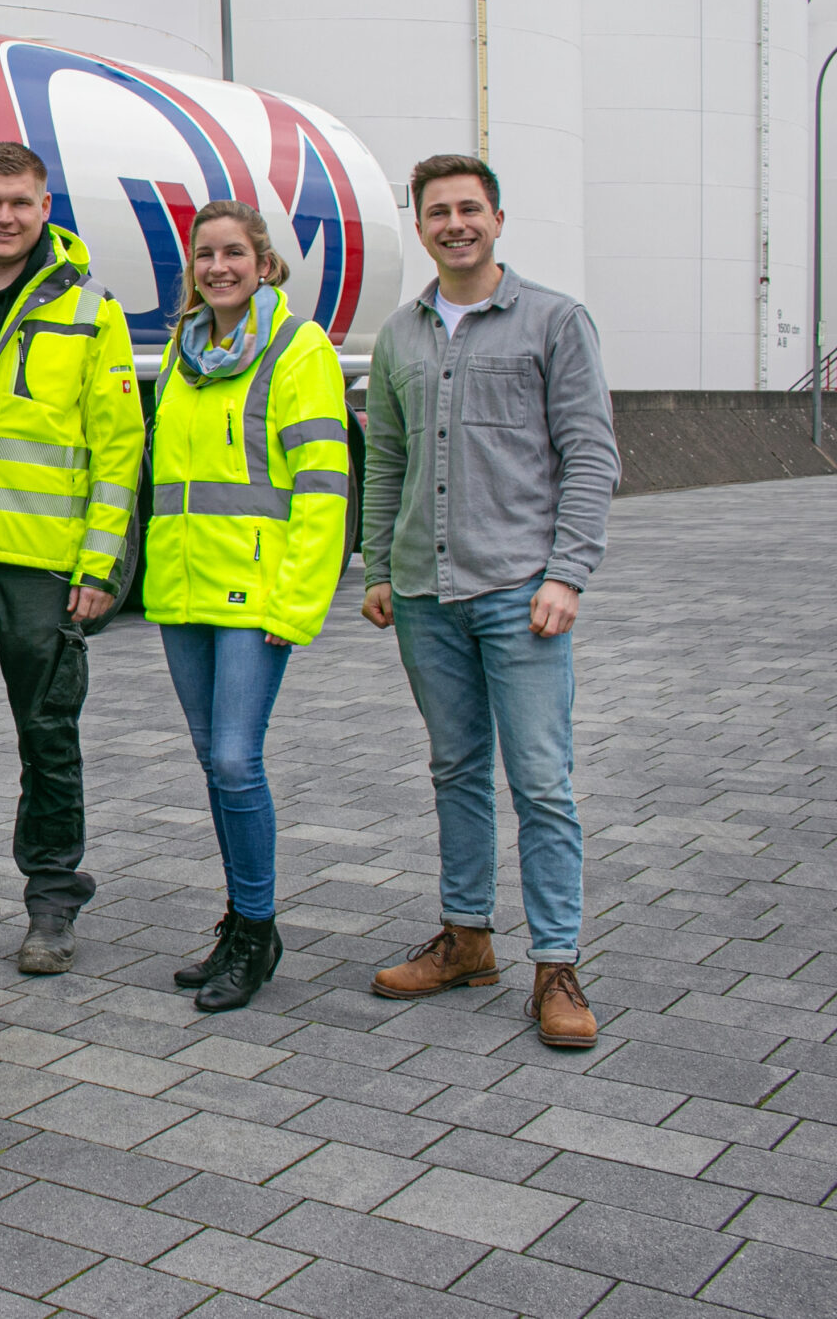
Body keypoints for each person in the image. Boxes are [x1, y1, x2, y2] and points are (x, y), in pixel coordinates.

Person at [361, 154, 620, 1049]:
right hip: (424, 594)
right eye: (438, 211)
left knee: (541, 782)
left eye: (470, 208)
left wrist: (567, 573)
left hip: (520, 591)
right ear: (421, 226)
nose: (455, 224)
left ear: (498, 219)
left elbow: (590, 453)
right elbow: (386, 460)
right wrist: (377, 566)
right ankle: (467, 937)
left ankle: (557, 965)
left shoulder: (555, 320)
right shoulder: (399, 335)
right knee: (456, 769)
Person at [0, 141, 142, 974]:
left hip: (42, 570)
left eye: (20, 202)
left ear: (46, 209)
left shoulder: (92, 307)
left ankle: (51, 903)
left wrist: (100, 566)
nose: (3, 216)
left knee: (49, 740)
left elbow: (118, 450)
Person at [144, 201, 352, 1012]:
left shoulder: (299, 349)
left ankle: (259, 931)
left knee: (235, 760)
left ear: (264, 264)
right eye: (205, 254)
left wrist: (294, 603)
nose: (219, 267)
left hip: (254, 595)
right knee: (214, 763)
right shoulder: (183, 351)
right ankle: (238, 921)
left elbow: (324, 489)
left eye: (234, 252)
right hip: (183, 589)